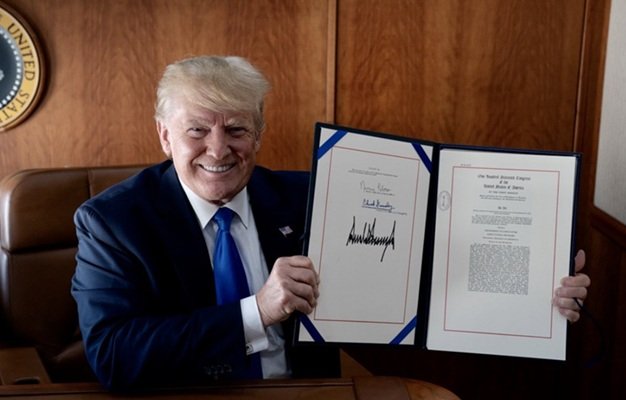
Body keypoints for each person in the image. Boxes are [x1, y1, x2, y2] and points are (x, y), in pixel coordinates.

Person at [71, 55, 591, 391]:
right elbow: (112, 356)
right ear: (165, 136)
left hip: (306, 394)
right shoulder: (112, 222)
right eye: (197, 131)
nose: (218, 149)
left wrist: (536, 287)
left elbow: (423, 271)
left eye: (236, 129)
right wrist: (258, 311)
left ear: (260, 134)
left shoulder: (315, 195)